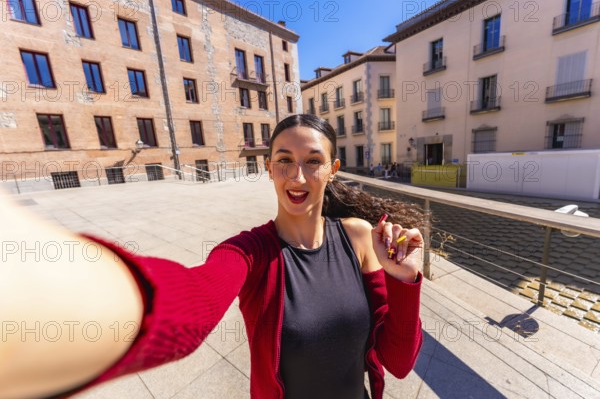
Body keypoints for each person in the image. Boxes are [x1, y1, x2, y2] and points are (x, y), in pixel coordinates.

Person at [0, 114, 424, 399]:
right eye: (284, 161)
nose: (297, 176)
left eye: (313, 161)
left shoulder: (360, 238)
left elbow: (398, 362)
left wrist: (404, 282)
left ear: (332, 169)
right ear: (269, 168)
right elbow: (192, 300)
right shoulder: (248, 253)